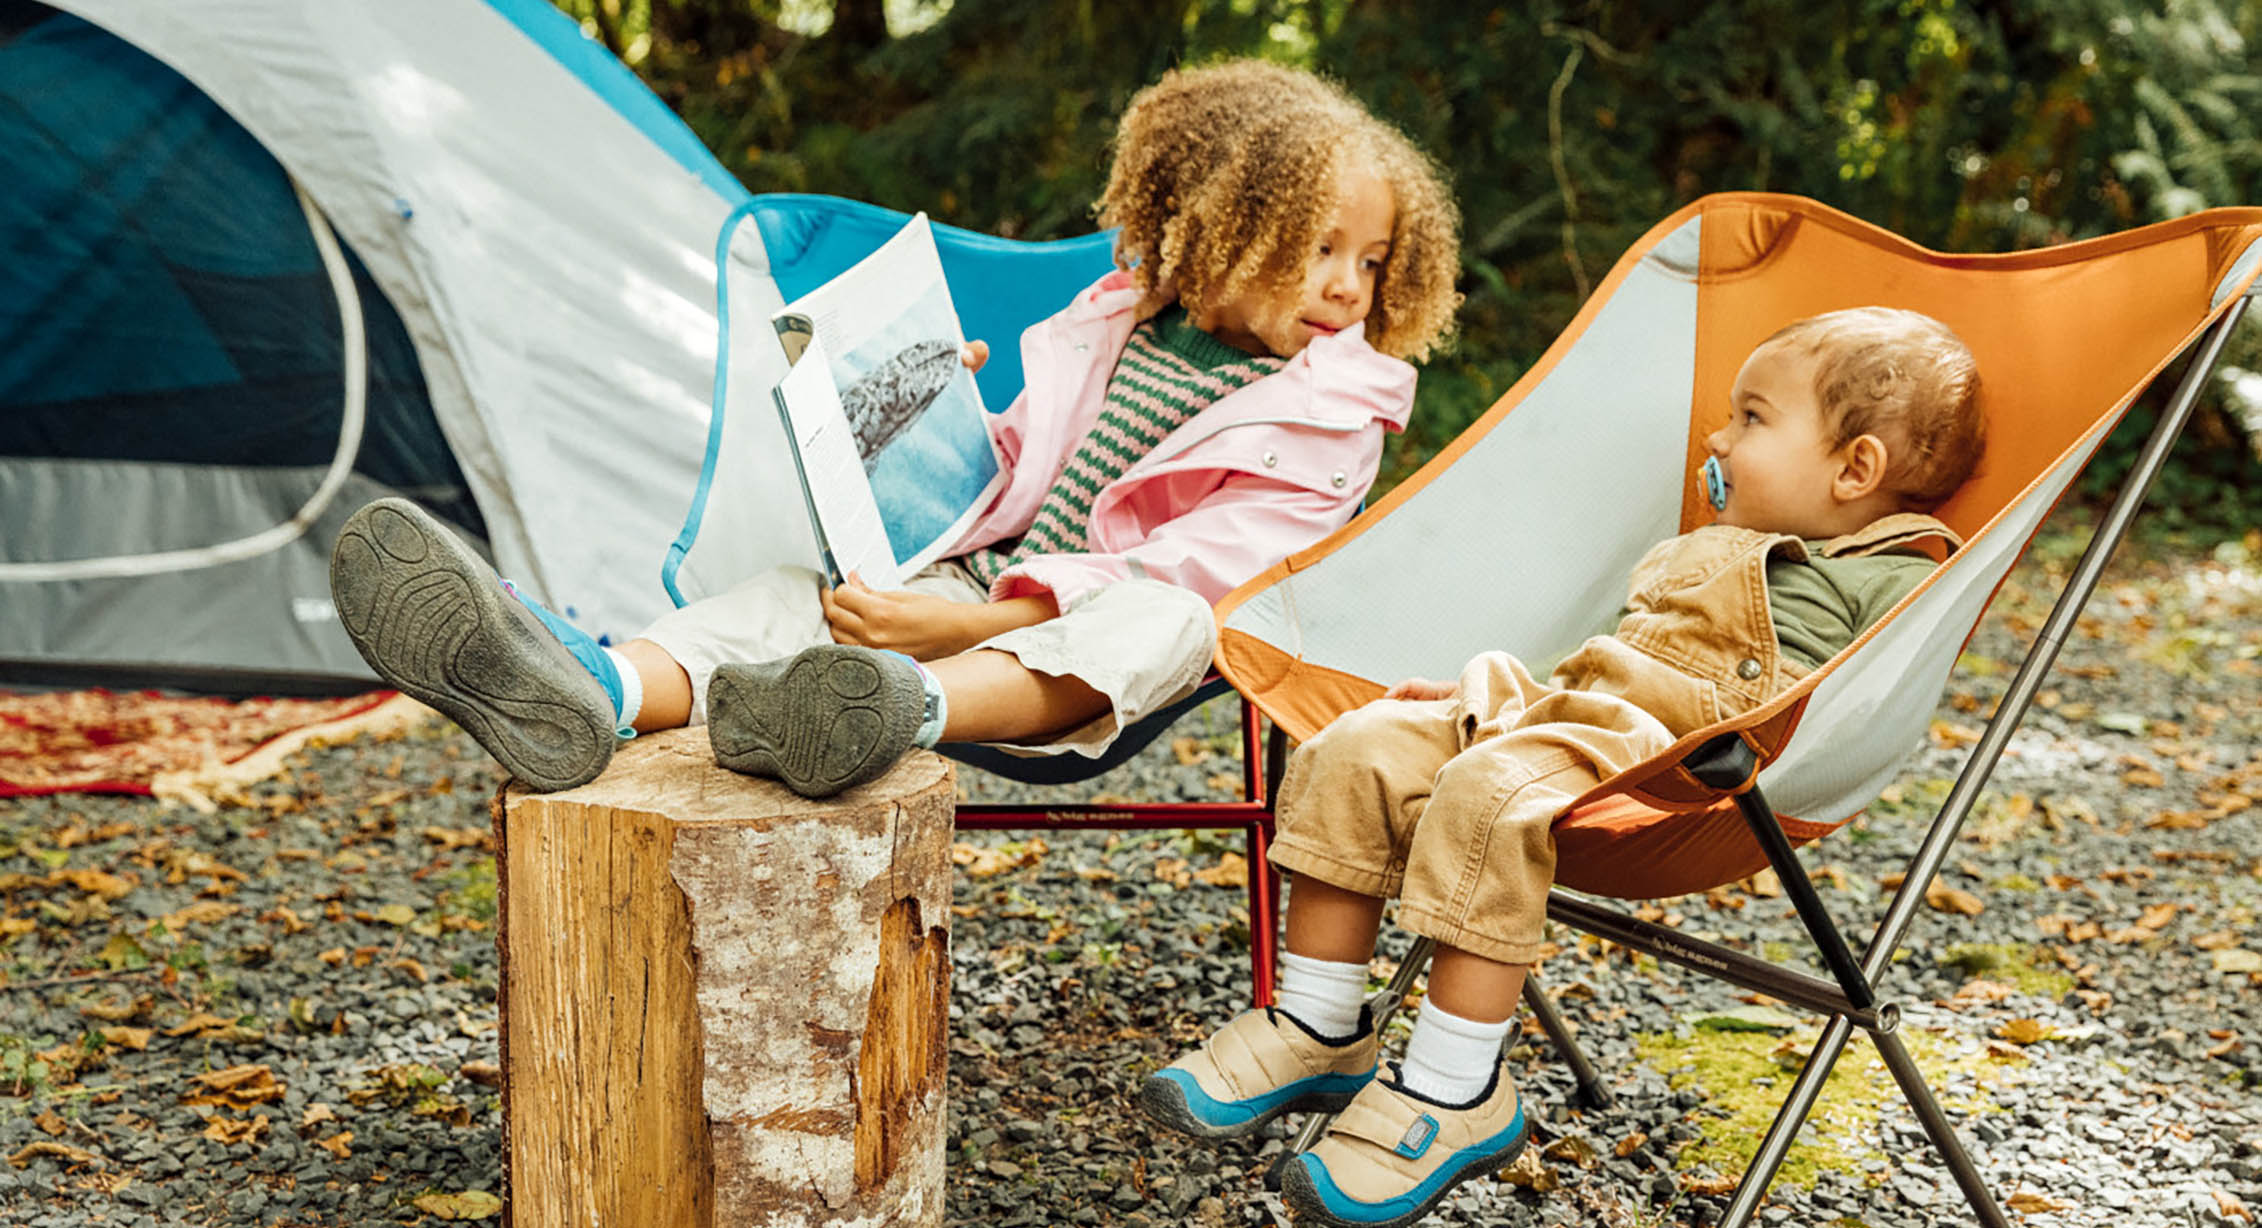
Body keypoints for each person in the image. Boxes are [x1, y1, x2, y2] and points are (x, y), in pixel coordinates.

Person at [326, 59, 1462, 798]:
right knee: (788, 594)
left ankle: (887, 712)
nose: (1348, 286)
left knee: (1165, 620)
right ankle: (592, 687)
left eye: (1372, 261)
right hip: (972, 583)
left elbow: (1210, 570)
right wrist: (932, 410)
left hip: (1078, 646)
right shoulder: (1116, 322)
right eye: (1319, 248)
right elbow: (1017, 469)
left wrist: (952, 637)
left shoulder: (1334, 410)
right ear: (1216, 227)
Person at [1141, 307, 1988, 1228]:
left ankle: (1457, 1092)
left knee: (1487, 791)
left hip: (1687, 765)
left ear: (1854, 469)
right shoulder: (1720, 534)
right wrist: (1490, 701)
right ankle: (1319, 1022)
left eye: (1751, 419)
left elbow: (1845, 701)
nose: (1717, 437)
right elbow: (1610, 668)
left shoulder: (1896, 572)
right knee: (1361, 744)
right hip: (1570, 711)